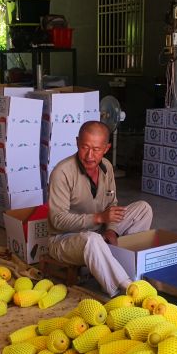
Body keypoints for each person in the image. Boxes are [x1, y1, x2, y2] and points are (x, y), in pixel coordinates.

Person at [47, 121, 153, 296]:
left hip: (99, 230)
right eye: (84, 147)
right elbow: (57, 220)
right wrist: (98, 218)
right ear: (76, 142)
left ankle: (119, 262)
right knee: (92, 239)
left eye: (96, 149)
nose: (89, 155)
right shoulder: (62, 172)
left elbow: (112, 204)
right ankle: (125, 288)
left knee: (143, 209)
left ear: (106, 148)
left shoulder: (107, 167)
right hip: (64, 239)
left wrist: (111, 230)